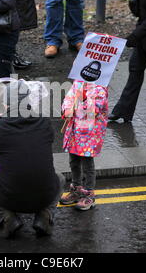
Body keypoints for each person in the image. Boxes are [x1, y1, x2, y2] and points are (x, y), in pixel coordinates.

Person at [0, 80, 64, 238]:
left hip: (11, 197)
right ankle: (45, 215)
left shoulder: (0, 127)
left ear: (6, 104)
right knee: (60, 178)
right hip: (44, 195)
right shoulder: (44, 122)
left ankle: (5, 217)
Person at [59, 81, 107, 211]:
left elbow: (95, 110)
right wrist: (67, 110)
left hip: (90, 133)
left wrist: (85, 99)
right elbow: (69, 98)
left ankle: (89, 193)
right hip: (75, 131)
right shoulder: (78, 84)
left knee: (87, 164)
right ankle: (76, 188)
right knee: (73, 161)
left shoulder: (100, 89)